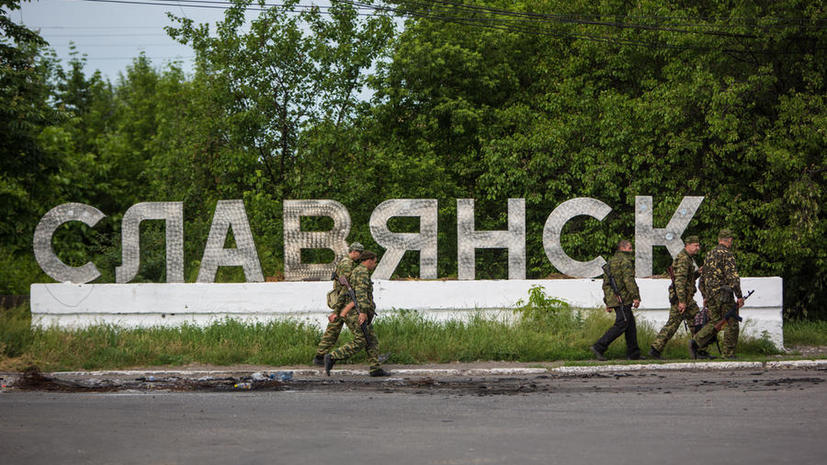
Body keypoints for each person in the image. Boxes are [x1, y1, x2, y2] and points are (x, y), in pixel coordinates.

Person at [324, 250, 389, 377]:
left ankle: (375, 368)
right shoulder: (362, 272)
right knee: (361, 340)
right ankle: (332, 357)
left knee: (372, 340)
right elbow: (360, 294)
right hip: (356, 313)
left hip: (355, 311)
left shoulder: (356, 271)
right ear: (369, 260)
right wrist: (363, 312)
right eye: (374, 262)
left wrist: (337, 311)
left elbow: (344, 292)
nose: (374, 265)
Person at [690, 229, 744, 359]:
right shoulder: (727, 254)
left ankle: (696, 341)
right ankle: (728, 353)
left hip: (711, 295)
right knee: (732, 322)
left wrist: (705, 296)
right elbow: (733, 278)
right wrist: (739, 296)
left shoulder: (709, 254)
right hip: (724, 295)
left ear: (719, 239)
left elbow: (702, 278)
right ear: (729, 240)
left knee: (714, 322)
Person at [649, 236, 704, 359]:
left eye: (698, 245)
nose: (697, 248)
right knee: (673, 324)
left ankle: (699, 350)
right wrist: (682, 301)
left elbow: (687, 279)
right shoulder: (684, 259)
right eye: (695, 245)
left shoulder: (687, 258)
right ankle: (655, 350)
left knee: (696, 322)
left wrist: (697, 273)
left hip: (686, 298)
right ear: (687, 245)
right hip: (682, 299)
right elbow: (679, 281)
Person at [591, 240, 644, 361]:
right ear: (623, 248)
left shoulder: (611, 262)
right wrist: (636, 296)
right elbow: (628, 280)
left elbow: (606, 284)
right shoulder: (625, 261)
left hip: (615, 297)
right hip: (623, 298)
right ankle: (599, 346)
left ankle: (634, 353)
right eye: (630, 248)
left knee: (630, 325)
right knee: (622, 323)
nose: (632, 250)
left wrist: (608, 301)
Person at [312, 242, 363, 366]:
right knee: (361, 331)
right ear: (354, 252)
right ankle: (373, 355)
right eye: (360, 253)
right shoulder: (347, 264)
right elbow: (347, 286)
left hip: (341, 301)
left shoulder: (345, 262)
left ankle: (320, 356)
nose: (360, 256)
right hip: (345, 301)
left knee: (333, 329)